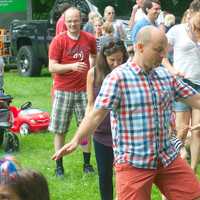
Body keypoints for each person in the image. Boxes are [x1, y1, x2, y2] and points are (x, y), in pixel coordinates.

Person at [52, 26, 200, 200]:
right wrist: (76, 140)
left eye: (165, 50)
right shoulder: (118, 78)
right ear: (140, 47)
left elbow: (196, 99)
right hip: (134, 162)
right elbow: (96, 115)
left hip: (166, 157)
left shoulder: (166, 76)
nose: (163, 55)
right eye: (158, 50)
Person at [48, 7, 97, 177]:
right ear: (65, 21)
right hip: (63, 90)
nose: (72, 24)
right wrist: (72, 66)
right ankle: (59, 166)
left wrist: (92, 68)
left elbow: (95, 55)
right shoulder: (58, 41)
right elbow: (52, 66)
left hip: (85, 90)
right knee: (60, 129)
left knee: (85, 129)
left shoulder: (89, 38)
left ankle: (87, 164)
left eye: (75, 20)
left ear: (81, 20)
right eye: (69, 21)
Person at [86, 38, 128, 200]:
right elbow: (90, 104)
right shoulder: (93, 73)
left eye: (120, 59)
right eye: (112, 60)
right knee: (104, 175)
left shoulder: (128, 73)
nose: (117, 63)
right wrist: (87, 128)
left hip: (124, 133)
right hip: (101, 133)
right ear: (103, 57)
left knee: (123, 174)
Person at [162, 0, 200, 172]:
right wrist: (172, 70)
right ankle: (179, 166)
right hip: (181, 85)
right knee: (181, 130)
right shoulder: (177, 31)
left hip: (199, 86)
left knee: (198, 130)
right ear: (191, 12)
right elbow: (161, 54)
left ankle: (192, 170)